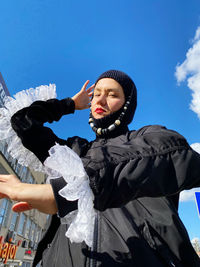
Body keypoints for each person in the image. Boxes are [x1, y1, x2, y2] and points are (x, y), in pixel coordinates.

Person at [0, 70, 200, 267]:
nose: (100, 100)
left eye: (112, 94)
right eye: (96, 94)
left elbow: (176, 152)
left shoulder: (147, 138)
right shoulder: (73, 151)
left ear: (127, 104)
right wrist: (69, 104)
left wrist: (69, 190)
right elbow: (22, 122)